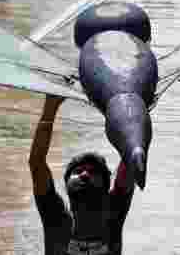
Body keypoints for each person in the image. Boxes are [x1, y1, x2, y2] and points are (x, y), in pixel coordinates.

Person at [29, 95, 135, 255]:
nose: (85, 174)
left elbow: (131, 159)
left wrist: (134, 115)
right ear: (66, 183)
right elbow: (36, 163)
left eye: (93, 172)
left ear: (106, 188)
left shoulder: (113, 214)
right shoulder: (56, 218)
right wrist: (50, 107)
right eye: (77, 172)